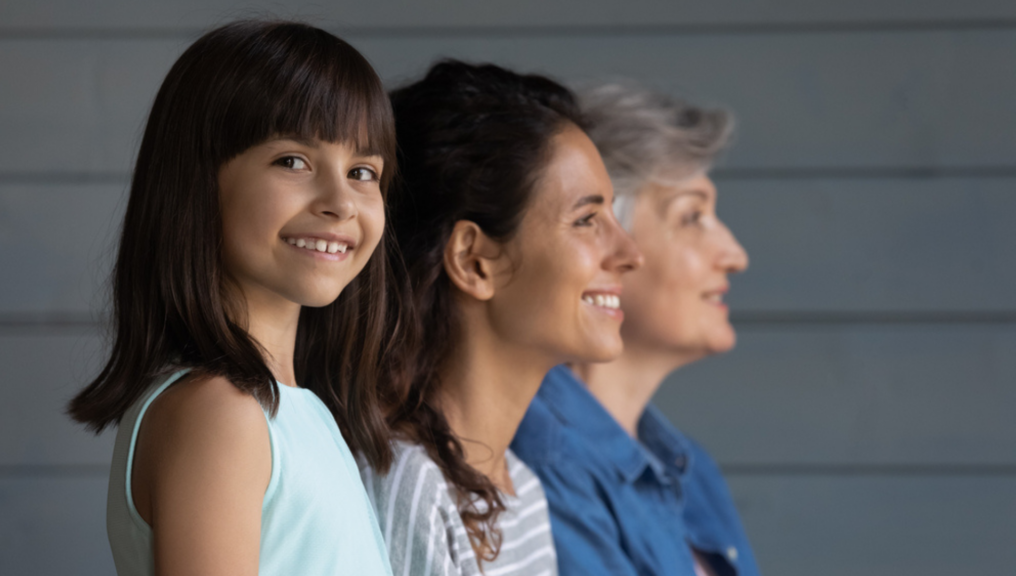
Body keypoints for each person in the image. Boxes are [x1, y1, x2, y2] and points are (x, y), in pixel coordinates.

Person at [67, 20, 399, 575]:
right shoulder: (219, 413)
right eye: (293, 161)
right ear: (197, 181)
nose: (341, 201)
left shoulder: (297, 411)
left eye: (363, 171)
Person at [356, 61, 643, 576]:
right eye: (587, 220)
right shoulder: (407, 484)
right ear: (474, 261)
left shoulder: (520, 488)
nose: (628, 253)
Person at [511, 82, 759, 576]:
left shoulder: (692, 470)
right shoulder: (539, 463)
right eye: (693, 217)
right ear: (600, 239)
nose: (736, 255)